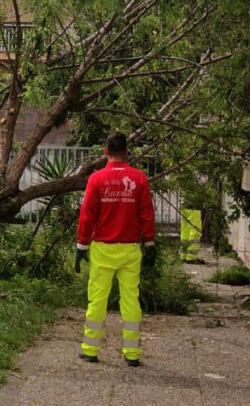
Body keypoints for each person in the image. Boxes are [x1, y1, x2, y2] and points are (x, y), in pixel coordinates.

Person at [74, 132, 157, 367]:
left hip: (102, 248)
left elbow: (87, 216)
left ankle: (90, 350)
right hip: (130, 248)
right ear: (127, 152)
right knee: (131, 300)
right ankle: (132, 355)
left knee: (97, 300)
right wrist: (149, 242)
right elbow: (146, 214)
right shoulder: (139, 178)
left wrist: (82, 246)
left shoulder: (97, 179)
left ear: (105, 151)